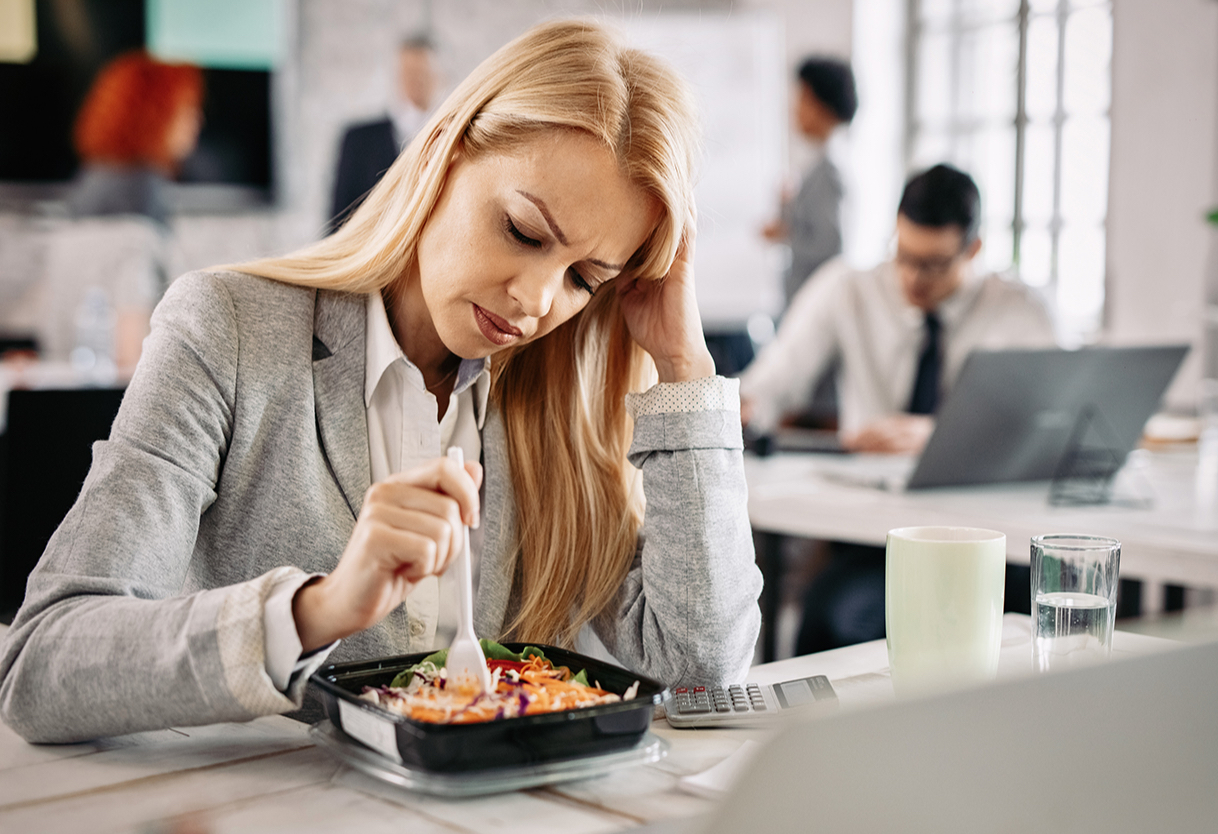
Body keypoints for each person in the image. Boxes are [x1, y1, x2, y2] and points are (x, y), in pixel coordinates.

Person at [0, 20, 762, 744]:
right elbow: (43, 663)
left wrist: (685, 368)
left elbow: (700, 673)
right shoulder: (227, 327)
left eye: (584, 279)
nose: (536, 302)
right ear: (446, 155)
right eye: (523, 232)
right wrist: (316, 610)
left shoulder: (567, 403)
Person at [741, 164, 1056, 654]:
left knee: (1040, 627)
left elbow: (1048, 425)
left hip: (991, 542)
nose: (912, 277)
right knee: (833, 617)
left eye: (933, 263)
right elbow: (771, 384)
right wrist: (735, 405)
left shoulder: (1019, 310)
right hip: (875, 539)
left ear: (973, 249)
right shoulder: (848, 288)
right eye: (903, 255)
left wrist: (940, 434)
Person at [66, 51, 204, 227]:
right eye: (188, 109)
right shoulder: (140, 187)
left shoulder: (99, 173)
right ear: (156, 115)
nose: (197, 120)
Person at [761, 57, 857, 309]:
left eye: (802, 99)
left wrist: (784, 234)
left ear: (821, 104)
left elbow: (829, 245)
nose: (794, 109)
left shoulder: (830, 168)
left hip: (814, 304)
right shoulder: (820, 160)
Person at [329, 36, 442, 230]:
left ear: (439, 77)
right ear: (397, 76)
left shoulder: (456, 140)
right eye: (409, 73)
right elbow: (337, 222)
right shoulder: (358, 140)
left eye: (423, 73)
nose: (416, 81)